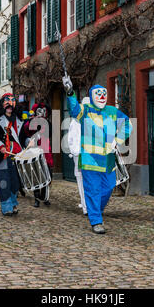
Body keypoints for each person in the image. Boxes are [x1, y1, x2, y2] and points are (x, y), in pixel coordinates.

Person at [62, 77, 132, 234]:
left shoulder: (112, 111)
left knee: (108, 188)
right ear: (92, 96)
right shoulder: (85, 110)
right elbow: (73, 109)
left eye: (103, 94)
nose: (101, 96)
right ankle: (96, 220)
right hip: (89, 158)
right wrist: (70, 92)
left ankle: (95, 210)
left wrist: (118, 139)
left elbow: (128, 124)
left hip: (107, 158)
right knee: (92, 189)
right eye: (98, 94)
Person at [0, 93, 23, 216]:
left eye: (13, 101)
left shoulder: (20, 121)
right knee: (3, 182)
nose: (10, 104)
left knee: (15, 183)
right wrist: (0, 147)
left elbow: (23, 137)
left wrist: (29, 141)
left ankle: (12, 203)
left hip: (17, 156)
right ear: (2, 104)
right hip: (2, 157)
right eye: (7, 101)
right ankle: (7, 207)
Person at [19, 102, 53, 207]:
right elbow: (24, 135)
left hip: (46, 152)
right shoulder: (29, 123)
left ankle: (44, 197)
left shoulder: (48, 123)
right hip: (35, 152)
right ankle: (37, 198)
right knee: (36, 175)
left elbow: (50, 134)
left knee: (47, 175)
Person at [67, 97, 91, 215]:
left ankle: (86, 205)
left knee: (84, 180)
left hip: (84, 154)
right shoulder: (76, 121)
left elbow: (70, 140)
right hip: (82, 154)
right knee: (83, 180)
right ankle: (86, 206)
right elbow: (71, 139)